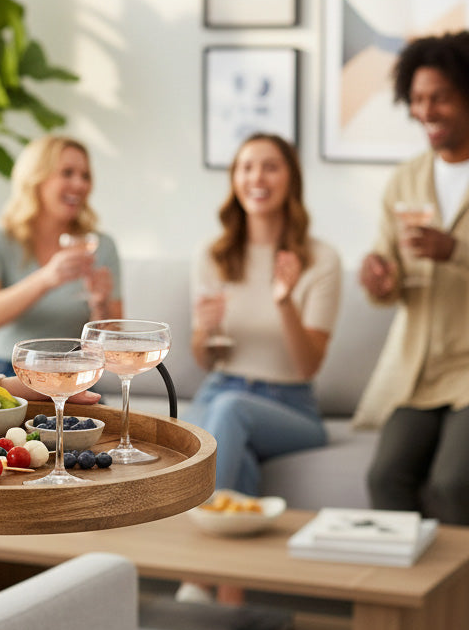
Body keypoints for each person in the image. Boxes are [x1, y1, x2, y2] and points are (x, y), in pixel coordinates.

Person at [188, 133, 342, 498]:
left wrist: (285, 301)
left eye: (270, 167)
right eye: (247, 167)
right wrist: (204, 331)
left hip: (290, 406)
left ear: (292, 179)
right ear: (235, 180)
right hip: (218, 390)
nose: (257, 178)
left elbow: (308, 366)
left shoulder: (321, 259)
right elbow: (204, 361)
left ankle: (199, 530)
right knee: (235, 455)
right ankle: (230, 544)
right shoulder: (213, 254)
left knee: (230, 413)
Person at [357, 31, 469, 524]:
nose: (426, 110)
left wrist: (455, 250)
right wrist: (380, 283)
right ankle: (409, 599)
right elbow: (392, 276)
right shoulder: (406, 178)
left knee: (452, 484)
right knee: (385, 476)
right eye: (418, 98)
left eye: (440, 97)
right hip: (421, 372)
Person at [0, 134, 122, 376]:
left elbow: (113, 342)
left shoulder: (101, 245)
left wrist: (100, 306)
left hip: (74, 373)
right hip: (7, 371)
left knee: (107, 415)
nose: (80, 184)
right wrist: (46, 278)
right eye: (67, 173)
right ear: (36, 179)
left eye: (85, 176)